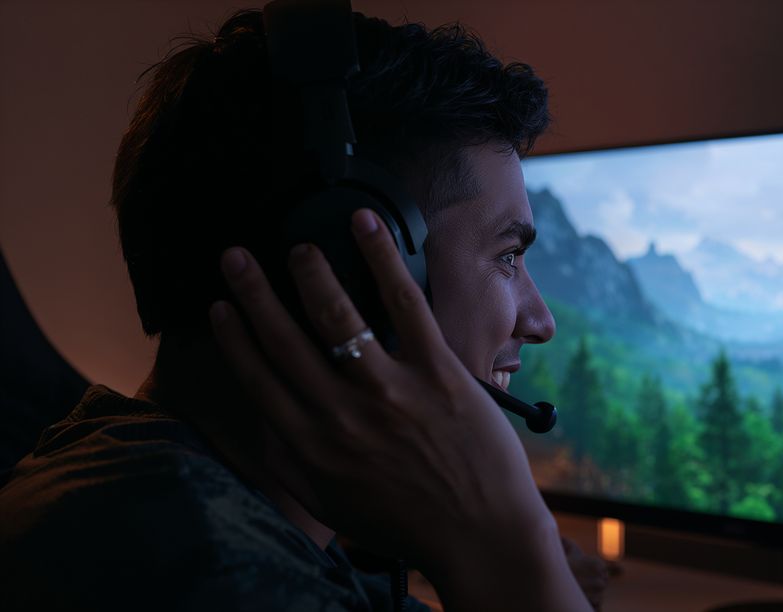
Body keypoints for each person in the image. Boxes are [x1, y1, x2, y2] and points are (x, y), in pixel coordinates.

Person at [0, 7, 606, 611]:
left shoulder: (176, 502)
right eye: (507, 257)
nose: (540, 321)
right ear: (347, 268)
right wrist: (506, 549)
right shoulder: (198, 567)